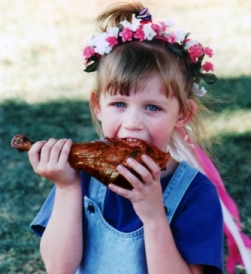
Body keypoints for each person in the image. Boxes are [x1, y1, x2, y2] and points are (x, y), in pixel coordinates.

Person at [29, 2, 225, 273]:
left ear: (182, 114)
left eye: (152, 107)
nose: (132, 124)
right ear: (98, 105)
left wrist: (155, 215)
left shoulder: (196, 193)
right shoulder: (80, 173)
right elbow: (59, 267)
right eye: (119, 104)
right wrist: (67, 188)